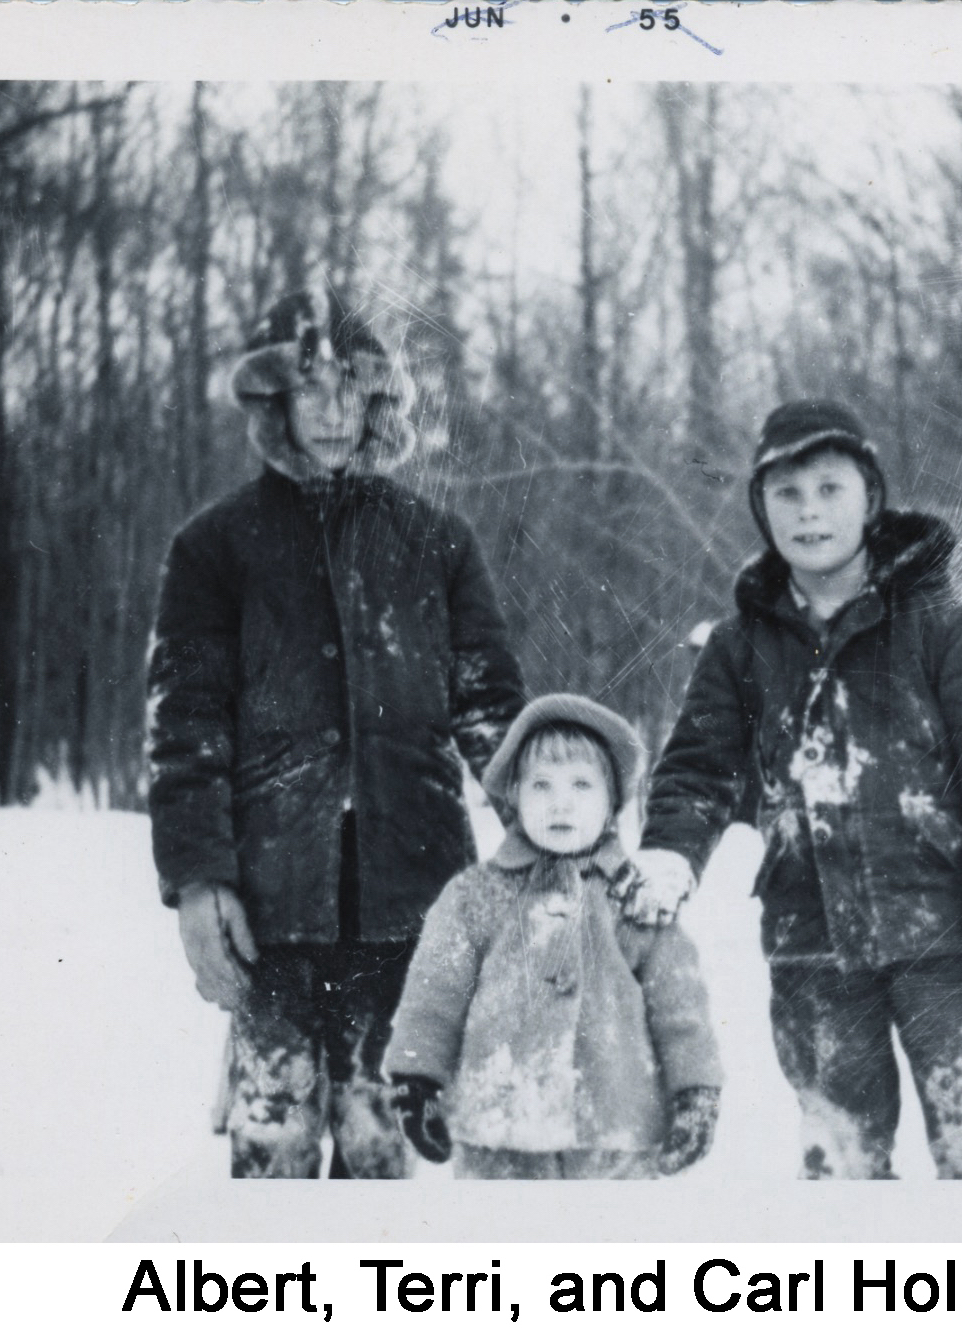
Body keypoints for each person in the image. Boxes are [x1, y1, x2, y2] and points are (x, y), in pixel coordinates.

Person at [145, 283, 526, 1179]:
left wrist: (553, 842)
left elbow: (490, 713)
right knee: (272, 1154)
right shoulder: (213, 548)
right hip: (269, 913)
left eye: (349, 389)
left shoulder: (436, 540)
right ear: (272, 401)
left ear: (378, 401)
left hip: (413, 906)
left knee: (380, 1154)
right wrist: (198, 882)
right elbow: (184, 728)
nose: (329, 412)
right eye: (308, 388)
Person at [637, 399, 962, 1180]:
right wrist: (667, 855)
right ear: (762, 510)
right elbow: (696, 768)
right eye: (786, 495)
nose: (809, 513)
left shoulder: (941, 622)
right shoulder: (738, 646)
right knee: (841, 1162)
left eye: (829, 489)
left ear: (869, 496)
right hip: (810, 942)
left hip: (940, 934)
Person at [385, 695, 723, 1180]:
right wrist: (414, 1079)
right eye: (541, 786)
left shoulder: (636, 900)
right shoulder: (474, 898)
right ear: (515, 797)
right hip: (498, 1138)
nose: (560, 802)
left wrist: (697, 1092)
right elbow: (432, 997)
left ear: (612, 803)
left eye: (581, 785)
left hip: (614, 1140)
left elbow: (680, 1007)